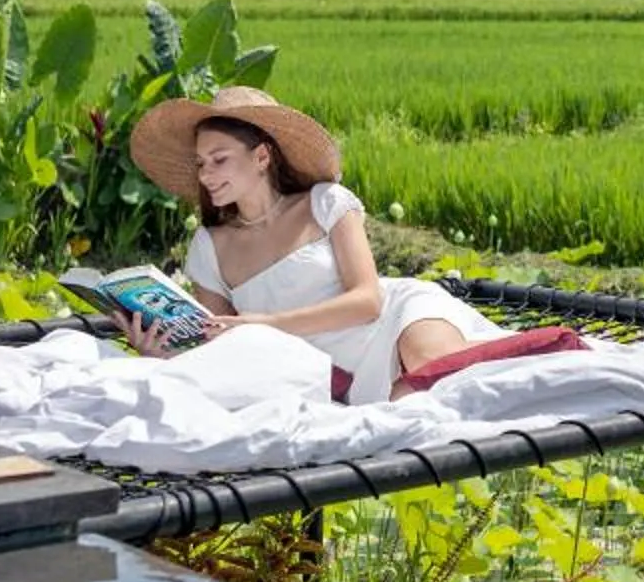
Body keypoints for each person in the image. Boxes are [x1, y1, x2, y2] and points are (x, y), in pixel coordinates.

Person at [119, 85, 497, 404]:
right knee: (408, 404)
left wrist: (265, 325)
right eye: (201, 163)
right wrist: (163, 352)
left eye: (219, 159)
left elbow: (368, 301)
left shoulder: (326, 202)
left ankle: (535, 354)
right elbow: (217, 341)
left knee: (431, 364)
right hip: (325, 374)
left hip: (392, 321)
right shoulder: (209, 245)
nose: (206, 174)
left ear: (262, 157)